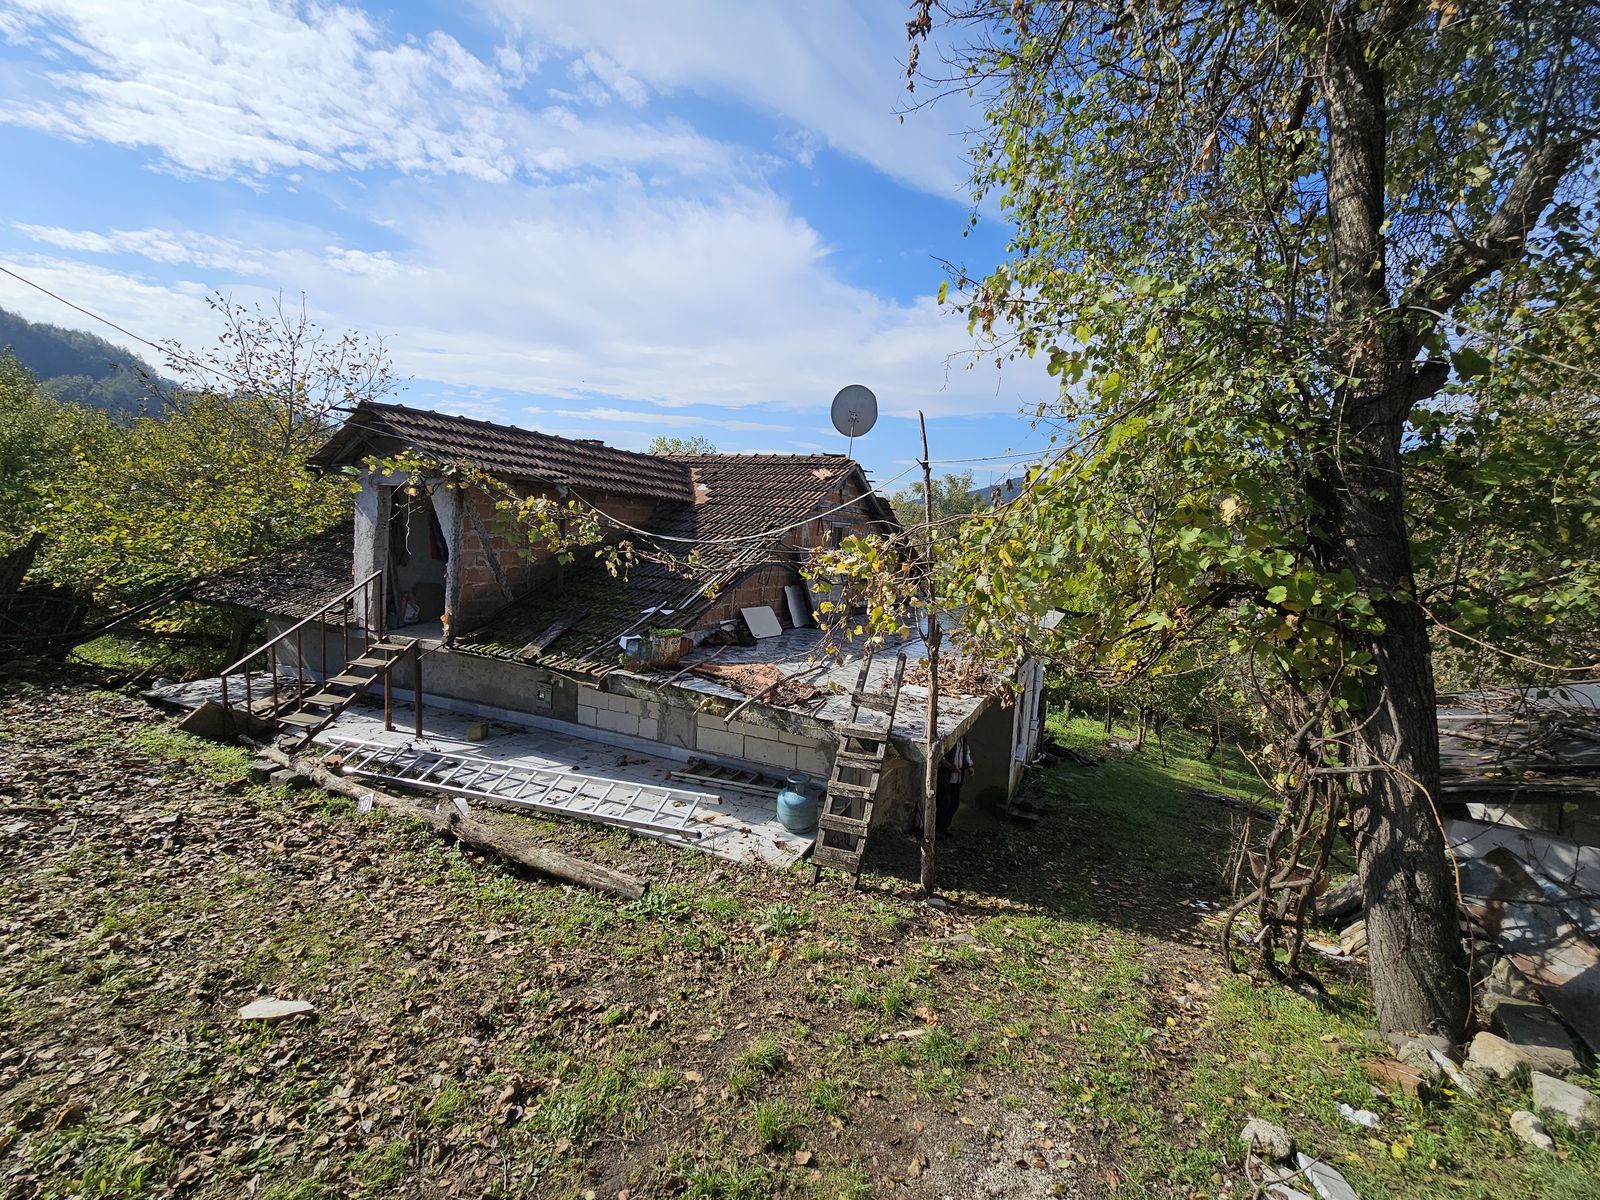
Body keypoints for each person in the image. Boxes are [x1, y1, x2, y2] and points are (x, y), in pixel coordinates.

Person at [935, 737, 973, 838]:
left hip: (957, 778)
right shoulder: (951, 740)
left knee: (954, 804)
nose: (969, 731)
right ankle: (937, 828)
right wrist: (949, 766)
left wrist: (969, 767)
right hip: (946, 778)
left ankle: (944, 827)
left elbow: (966, 755)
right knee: (944, 803)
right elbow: (940, 757)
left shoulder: (964, 743)